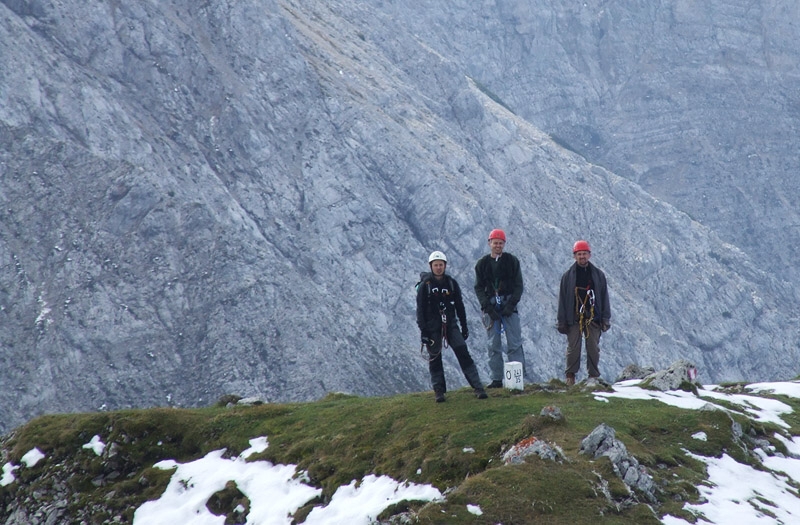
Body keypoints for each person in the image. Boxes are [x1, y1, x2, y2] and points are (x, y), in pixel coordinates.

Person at [417, 250, 488, 402]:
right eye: (435, 265)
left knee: (463, 353)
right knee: (435, 358)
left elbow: (460, 306)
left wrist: (464, 326)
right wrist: (423, 331)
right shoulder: (425, 286)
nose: (438, 268)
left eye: (441, 265)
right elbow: (420, 310)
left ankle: (478, 387)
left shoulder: (451, 283)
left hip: (451, 324)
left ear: (445, 265)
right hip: (432, 326)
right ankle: (439, 391)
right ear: (431, 266)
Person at [474, 229, 527, 388]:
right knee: (493, 344)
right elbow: (478, 287)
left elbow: (519, 285)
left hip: (509, 306)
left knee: (514, 343)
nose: (498, 245)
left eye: (500, 243)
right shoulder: (482, 264)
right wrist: (488, 308)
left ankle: (517, 378)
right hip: (491, 308)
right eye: (495, 243)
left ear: (504, 244)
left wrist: (511, 305)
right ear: (489, 243)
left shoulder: (512, 261)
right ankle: (496, 379)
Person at [556, 240, 611, 385]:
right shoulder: (567, 277)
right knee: (573, 348)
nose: (582, 257)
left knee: (593, 347)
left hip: (593, 317)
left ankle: (593, 376)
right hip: (573, 318)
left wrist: (605, 318)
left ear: (589, 255)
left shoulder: (598, 275)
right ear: (574, 256)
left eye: (584, 254)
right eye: (579, 254)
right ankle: (570, 376)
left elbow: (604, 296)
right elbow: (562, 299)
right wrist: (561, 321)